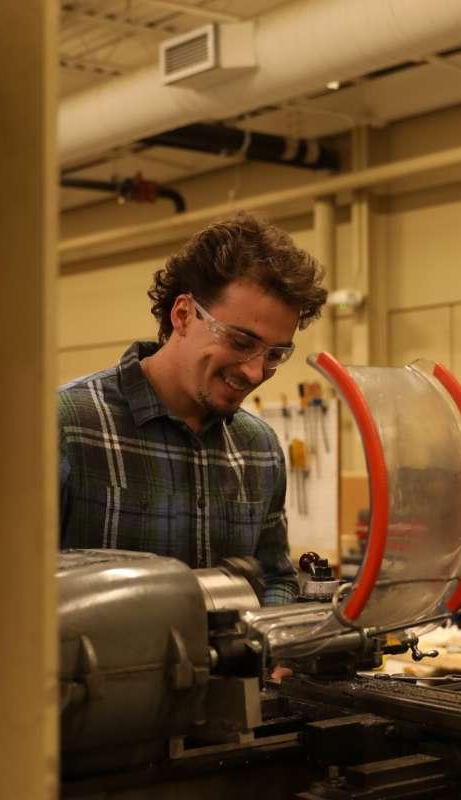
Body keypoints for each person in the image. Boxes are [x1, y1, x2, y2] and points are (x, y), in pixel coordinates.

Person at [58, 212, 327, 606]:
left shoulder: (259, 448)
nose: (255, 371)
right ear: (183, 314)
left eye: (275, 354)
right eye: (239, 341)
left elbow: (275, 578)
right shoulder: (68, 425)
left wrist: (280, 645)